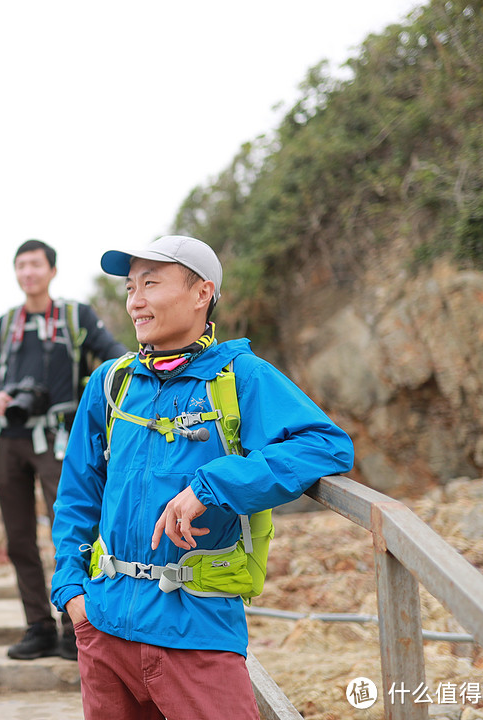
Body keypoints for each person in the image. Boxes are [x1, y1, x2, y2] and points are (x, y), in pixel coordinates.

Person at [50, 235, 355, 719]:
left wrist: (212, 485)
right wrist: (70, 592)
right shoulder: (111, 383)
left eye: (151, 283)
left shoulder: (240, 377)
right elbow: (77, 496)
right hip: (104, 631)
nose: (136, 301)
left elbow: (325, 444)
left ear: (201, 293)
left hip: (196, 632)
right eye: (131, 288)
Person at [0, 239, 127, 661]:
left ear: (52, 270)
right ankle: (38, 627)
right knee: (18, 539)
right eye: (21, 265)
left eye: (35, 265)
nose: (28, 272)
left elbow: (114, 357)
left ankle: (75, 628)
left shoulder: (73, 316)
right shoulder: (5, 322)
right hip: (8, 439)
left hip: (58, 438)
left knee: (72, 530)